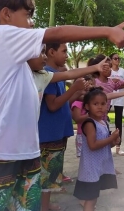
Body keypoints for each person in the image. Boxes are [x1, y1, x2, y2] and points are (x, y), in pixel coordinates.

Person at [0, 0, 124, 211]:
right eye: (27, 15)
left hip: (26, 150)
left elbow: (62, 74)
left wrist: (92, 69)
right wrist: (107, 30)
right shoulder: (0, 35)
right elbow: (58, 32)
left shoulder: (21, 67)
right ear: (6, 14)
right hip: (2, 151)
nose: (31, 23)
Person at [29, 45, 109, 211]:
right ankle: (43, 207)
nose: (66, 56)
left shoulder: (55, 75)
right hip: (49, 134)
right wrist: (74, 88)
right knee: (46, 174)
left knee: (51, 174)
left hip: (57, 132)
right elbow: (52, 105)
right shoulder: (50, 76)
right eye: (64, 51)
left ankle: (46, 204)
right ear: (52, 52)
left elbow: (65, 102)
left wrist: (78, 93)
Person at [73, 87, 120, 211]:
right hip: (90, 169)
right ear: (87, 107)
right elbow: (92, 145)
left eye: (103, 104)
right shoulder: (90, 123)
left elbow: (106, 146)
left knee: (93, 198)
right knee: (90, 199)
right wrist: (111, 139)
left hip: (99, 167)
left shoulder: (103, 123)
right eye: (95, 104)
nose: (100, 107)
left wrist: (114, 141)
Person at [71, 75, 124, 158]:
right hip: (83, 135)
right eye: (86, 84)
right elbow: (77, 119)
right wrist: (90, 115)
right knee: (88, 157)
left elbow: (109, 95)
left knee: (99, 154)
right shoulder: (78, 103)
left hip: (96, 133)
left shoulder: (101, 119)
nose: (100, 107)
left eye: (91, 84)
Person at [109, 53, 124, 156]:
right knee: (103, 120)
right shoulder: (108, 71)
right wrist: (113, 80)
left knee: (118, 123)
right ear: (111, 60)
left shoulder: (123, 71)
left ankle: (118, 147)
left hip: (119, 99)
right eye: (115, 58)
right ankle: (105, 145)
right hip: (108, 98)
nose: (117, 60)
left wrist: (120, 81)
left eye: (118, 58)